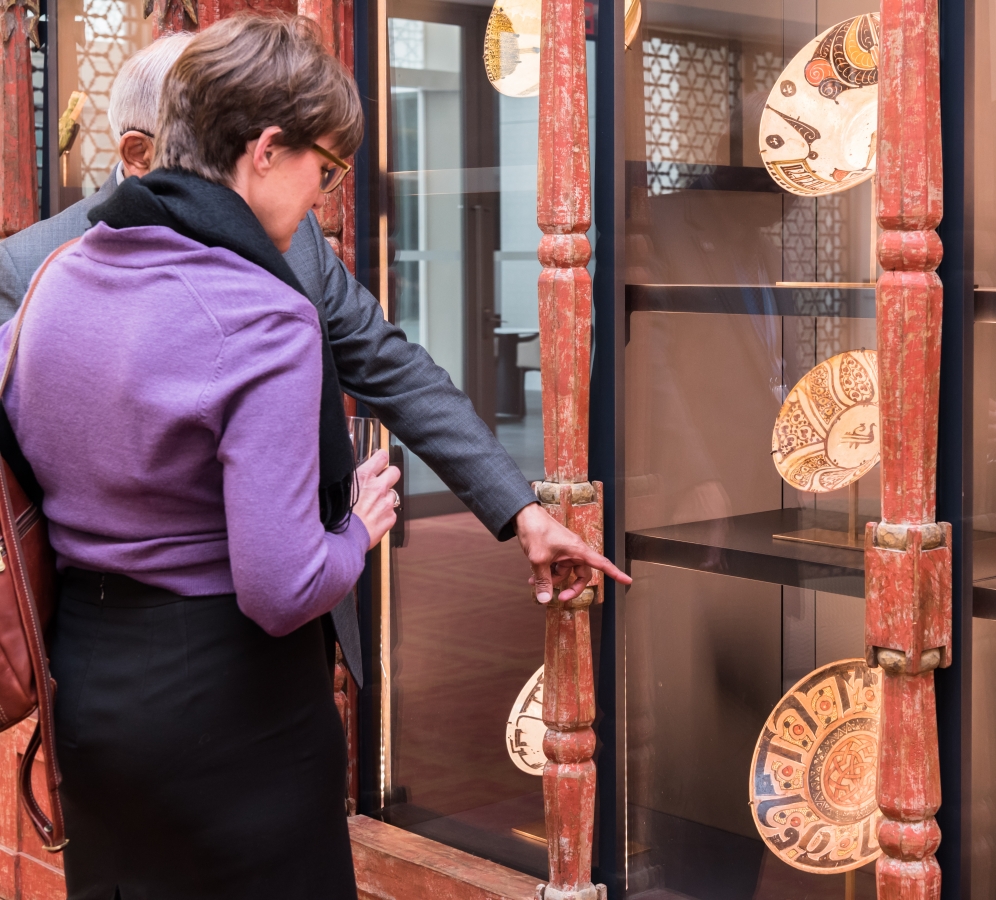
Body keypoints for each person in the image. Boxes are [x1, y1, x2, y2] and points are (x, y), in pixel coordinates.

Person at [0, 34, 629, 687]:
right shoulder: (35, 268)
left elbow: (392, 367)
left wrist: (520, 509)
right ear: (141, 151)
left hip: (288, 634)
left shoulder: (292, 239)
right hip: (117, 650)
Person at [0, 15, 443, 898]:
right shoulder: (262, 315)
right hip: (234, 706)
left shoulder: (56, 280)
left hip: (90, 683)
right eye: (326, 171)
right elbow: (280, 592)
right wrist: (357, 529)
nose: (323, 200)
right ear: (267, 150)